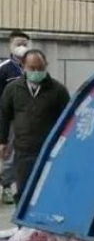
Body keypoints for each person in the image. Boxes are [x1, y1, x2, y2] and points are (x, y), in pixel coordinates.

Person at [0, 50, 69, 203]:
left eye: (40, 68)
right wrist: (3, 141)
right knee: (24, 191)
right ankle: (23, 225)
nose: (37, 72)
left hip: (49, 151)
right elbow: (4, 115)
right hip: (23, 150)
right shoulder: (13, 89)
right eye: (32, 68)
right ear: (23, 66)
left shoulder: (58, 91)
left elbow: (69, 120)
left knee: (47, 191)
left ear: (46, 66)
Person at [0, 31, 30, 203]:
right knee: (9, 153)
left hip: (28, 118)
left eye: (25, 44)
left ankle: (23, 187)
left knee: (25, 153)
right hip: (10, 118)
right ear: (10, 45)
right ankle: (6, 187)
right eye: (19, 43)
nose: (22, 47)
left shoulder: (31, 66)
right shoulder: (4, 68)